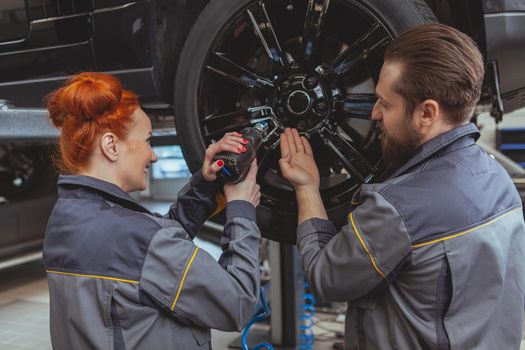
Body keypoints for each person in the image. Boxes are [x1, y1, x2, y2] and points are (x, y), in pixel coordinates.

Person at [279, 23, 525, 350]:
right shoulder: (498, 180)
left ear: (426, 113)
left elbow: (327, 278)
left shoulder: (397, 210)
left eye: (385, 102)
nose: (374, 113)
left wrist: (307, 187)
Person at [43, 72, 262, 349]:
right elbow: (237, 303)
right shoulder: (139, 239)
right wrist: (241, 210)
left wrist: (205, 185)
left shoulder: (65, 219)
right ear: (111, 146)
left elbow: (149, 256)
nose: (153, 155)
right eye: (148, 140)